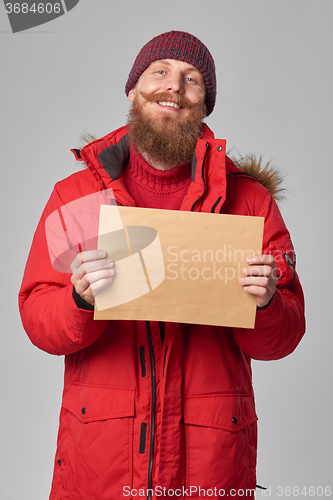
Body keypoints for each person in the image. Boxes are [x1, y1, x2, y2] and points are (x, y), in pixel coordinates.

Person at [19, 31, 305, 500]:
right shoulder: (75, 197)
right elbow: (36, 315)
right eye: (160, 72)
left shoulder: (250, 202)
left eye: (192, 80)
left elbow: (286, 335)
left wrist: (269, 303)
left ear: (204, 105)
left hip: (210, 467)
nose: (174, 86)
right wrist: (78, 301)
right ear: (132, 88)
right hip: (101, 468)